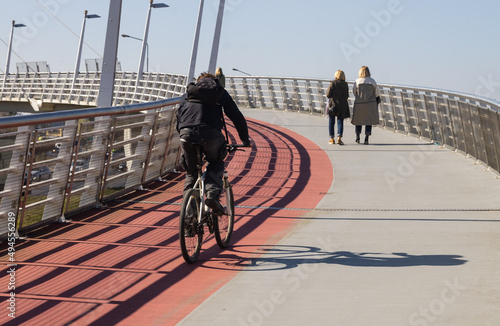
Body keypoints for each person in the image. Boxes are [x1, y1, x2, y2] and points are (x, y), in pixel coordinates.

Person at [176, 72, 251, 212]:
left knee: (192, 173)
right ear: (215, 82)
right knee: (215, 160)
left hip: (185, 134)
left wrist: (183, 136)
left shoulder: (188, 94)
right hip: (211, 135)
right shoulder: (220, 93)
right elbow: (236, 117)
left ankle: (188, 217)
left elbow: (179, 118)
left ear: (198, 82)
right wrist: (245, 140)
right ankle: (212, 195)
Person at [351, 66, 381, 145]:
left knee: (358, 119)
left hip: (359, 103)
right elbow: (377, 93)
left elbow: (354, 92)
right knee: (369, 120)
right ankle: (367, 138)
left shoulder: (357, 81)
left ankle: (357, 136)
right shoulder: (372, 81)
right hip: (370, 104)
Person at [326, 70, 350, 145]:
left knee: (331, 122)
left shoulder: (333, 83)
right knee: (340, 121)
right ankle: (339, 138)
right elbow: (346, 96)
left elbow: (328, 95)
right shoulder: (345, 84)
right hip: (342, 105)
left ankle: (332, 139)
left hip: (333, 105)